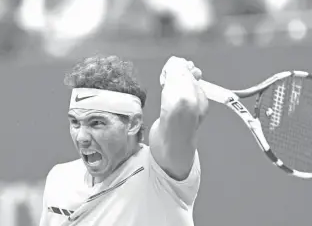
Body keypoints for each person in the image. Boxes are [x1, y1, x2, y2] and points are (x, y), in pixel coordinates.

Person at [39, 55, 209, 226]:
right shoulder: (59, 179)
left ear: (133, 124)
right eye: (75, 122)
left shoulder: (161, 171)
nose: (81, 137)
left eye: (96, 123)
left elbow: (183, 105)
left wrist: (176, 69)